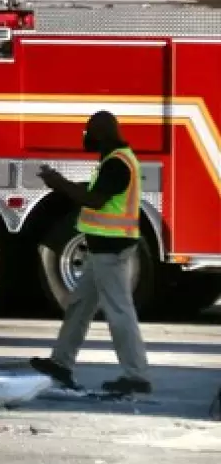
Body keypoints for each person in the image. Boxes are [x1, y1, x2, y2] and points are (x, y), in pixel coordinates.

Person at [30, 111, 153, 396]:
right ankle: (61, 363)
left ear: (101, 133)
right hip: (102, 250)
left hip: (111, 250)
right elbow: (97, 194)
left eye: (88, 131)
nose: (85, 137)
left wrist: (59, 183)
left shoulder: (117, 164)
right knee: (79, 306)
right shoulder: (115, 160)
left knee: (119, 311)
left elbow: (95, 200)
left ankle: (136, 375)